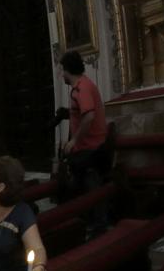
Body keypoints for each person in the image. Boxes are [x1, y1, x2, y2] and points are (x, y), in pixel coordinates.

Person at [59, 50, 108, 232]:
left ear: (68, 70)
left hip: (90, 149)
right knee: (82, 188)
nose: (61, 74)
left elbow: (89, 116)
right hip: (87, 148)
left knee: (91, 189)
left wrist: (74, 142)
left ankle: (98, 228)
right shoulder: (82, 85)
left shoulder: (82, 88)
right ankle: (84, 224)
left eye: (62, 70)